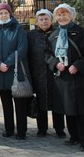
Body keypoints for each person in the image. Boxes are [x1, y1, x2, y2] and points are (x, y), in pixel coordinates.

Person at [45, 4, 84, 152]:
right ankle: (74, 136)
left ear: (71, 15)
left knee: (81, 109)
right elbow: (47, 54)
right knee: (68, 108)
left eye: (64, 14)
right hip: (62, 77)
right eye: (59, 15)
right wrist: (55, 64)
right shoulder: (53, 34)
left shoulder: (80, 32)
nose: (62, 17)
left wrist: (78, 65)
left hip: (77, 76)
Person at [0, 2, 31, 140]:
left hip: (15, 70)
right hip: (0, 72)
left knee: (19, 104)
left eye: (5, 13)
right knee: (6, 104)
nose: (3, 15)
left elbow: (22, 49)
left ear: (9, 13)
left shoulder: (17, 28)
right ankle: (8, 129)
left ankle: (21, 131)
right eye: (0, 13)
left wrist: (7, 63)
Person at [27, 9, 66, 138]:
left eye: (46, 19)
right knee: (40, 102)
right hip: (38, 73)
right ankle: (42, 128)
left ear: (51, 20)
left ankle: (59, 128)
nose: (44, 22)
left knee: (57, 102)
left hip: (54, 73)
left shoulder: (57, 32)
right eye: (41, 19)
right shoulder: (31, 35)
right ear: (37, 21)